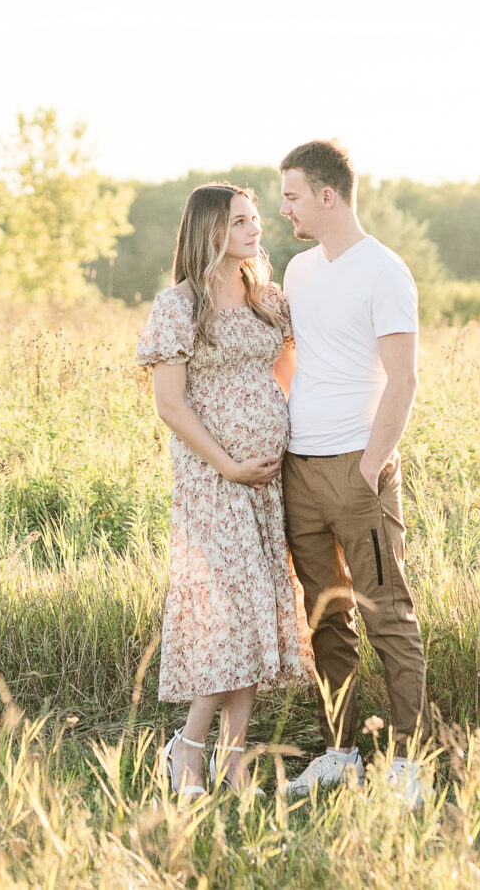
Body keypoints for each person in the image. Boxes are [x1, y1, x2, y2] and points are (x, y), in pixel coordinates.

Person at [136, 182, 309, 796]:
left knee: (258, 614)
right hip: (213, 482)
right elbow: (171, 405)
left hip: (266, 480)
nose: (256, 229)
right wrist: (230, 463)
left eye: (256, 219)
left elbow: (285, 362)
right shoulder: (179, 304)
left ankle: (232, 763)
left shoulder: (267, 298)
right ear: (211, 230)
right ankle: (186, 748)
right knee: (229, 616)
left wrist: (266, 415)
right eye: (241, 221)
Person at [273, 138, 428, 807]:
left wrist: (370, 467)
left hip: (358, 474)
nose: (285, 209)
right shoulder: (299, 269)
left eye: (292, 196)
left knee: (386, 614)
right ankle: (340, 754)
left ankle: (407, 765)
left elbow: (405, 379)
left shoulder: (385, 272)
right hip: (299, 472)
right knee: (325, 616)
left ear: (327, 194)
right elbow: (291, 360)